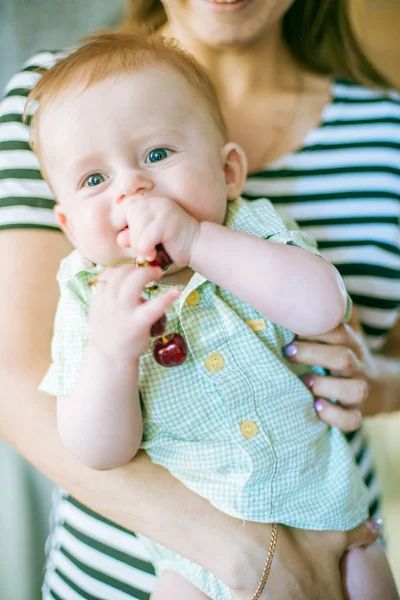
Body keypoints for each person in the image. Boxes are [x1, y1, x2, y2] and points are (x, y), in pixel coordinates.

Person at [0, 1, 399, 598]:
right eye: (93, 180)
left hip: (333, 526)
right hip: (167, 569)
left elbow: (325, 307)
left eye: (157, 155)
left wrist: (378, 378)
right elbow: (83, 438)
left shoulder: (255, 225)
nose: (131, 186)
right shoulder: (88, 292)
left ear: (230, 170)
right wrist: (110, 358)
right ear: (67, 223)